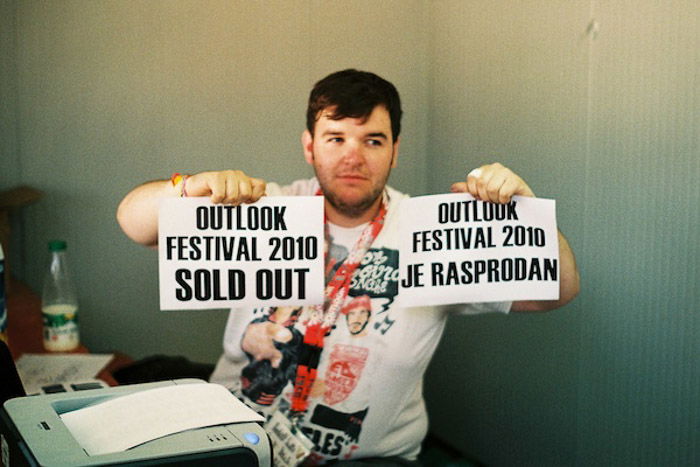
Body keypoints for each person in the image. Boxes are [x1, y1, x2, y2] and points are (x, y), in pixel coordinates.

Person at [117, 69, 580, 465]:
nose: (352, 156)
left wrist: (527, 214)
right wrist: (189, 189)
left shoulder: (431, 229)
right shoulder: (264, 205)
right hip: (238, 443)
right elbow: (134, 223)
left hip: (374, 459)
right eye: (335, 138)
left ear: (395, 150)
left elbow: (554, 292)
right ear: (309, 146)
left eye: (372, 140)